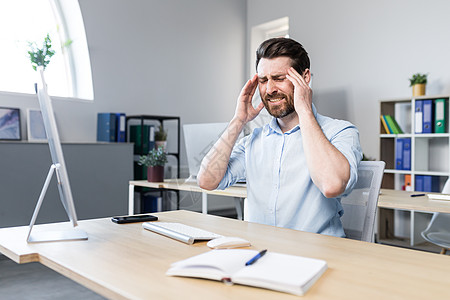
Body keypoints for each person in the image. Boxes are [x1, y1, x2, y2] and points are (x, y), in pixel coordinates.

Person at [197, 37, 362, 237]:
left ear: (305, 77)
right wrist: (238, 120)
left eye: (279, 78)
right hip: (262, 254)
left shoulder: (341, 132)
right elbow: (206, 180)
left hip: (318, 256)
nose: (269, 89)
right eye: (263, 80)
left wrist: (305, 111)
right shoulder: (254, 140)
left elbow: (332, 185)